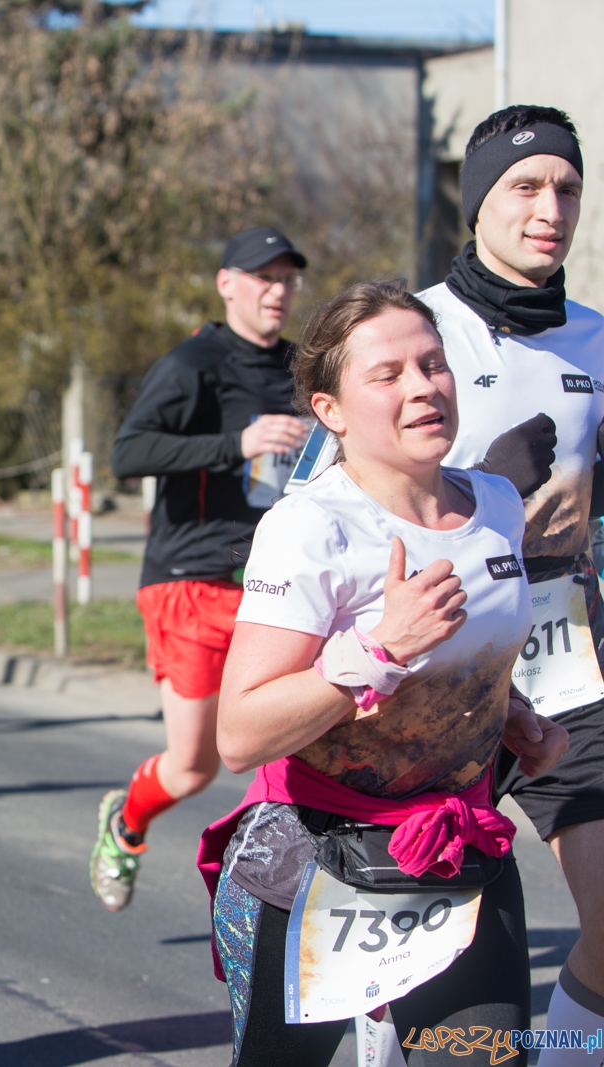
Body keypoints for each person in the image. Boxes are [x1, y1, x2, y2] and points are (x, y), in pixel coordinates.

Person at [201, 280, 568, 1065]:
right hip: (315, 858)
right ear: (330, 410)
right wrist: (377, 650)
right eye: (388, 374)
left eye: (433, 363)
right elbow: (240, 733)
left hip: (458, 850)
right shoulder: (310, 527)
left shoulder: (498, 504)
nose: (424, 387)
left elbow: (468, 659)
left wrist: (511, 715)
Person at [414, 105, 604, 1064]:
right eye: (525, 186)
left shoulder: (596, 339)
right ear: (479, 200)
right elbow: (324, 508)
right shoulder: (411, 329)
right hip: (437, 664)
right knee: (441, 951)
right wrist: (480, 498)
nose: (550, 209)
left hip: (565, 660)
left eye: (567, 188)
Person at [95, 227, 310, 911]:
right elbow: (128, 453)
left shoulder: (303, 368)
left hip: (278, 583)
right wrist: (236, 443)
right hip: (189, 577)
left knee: (297, 746)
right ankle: (126, 822)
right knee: (193, 766)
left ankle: (294, 894)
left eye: (287, 279)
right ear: (227, 284)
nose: (277, 291)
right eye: (263, 277)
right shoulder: (194, 363)